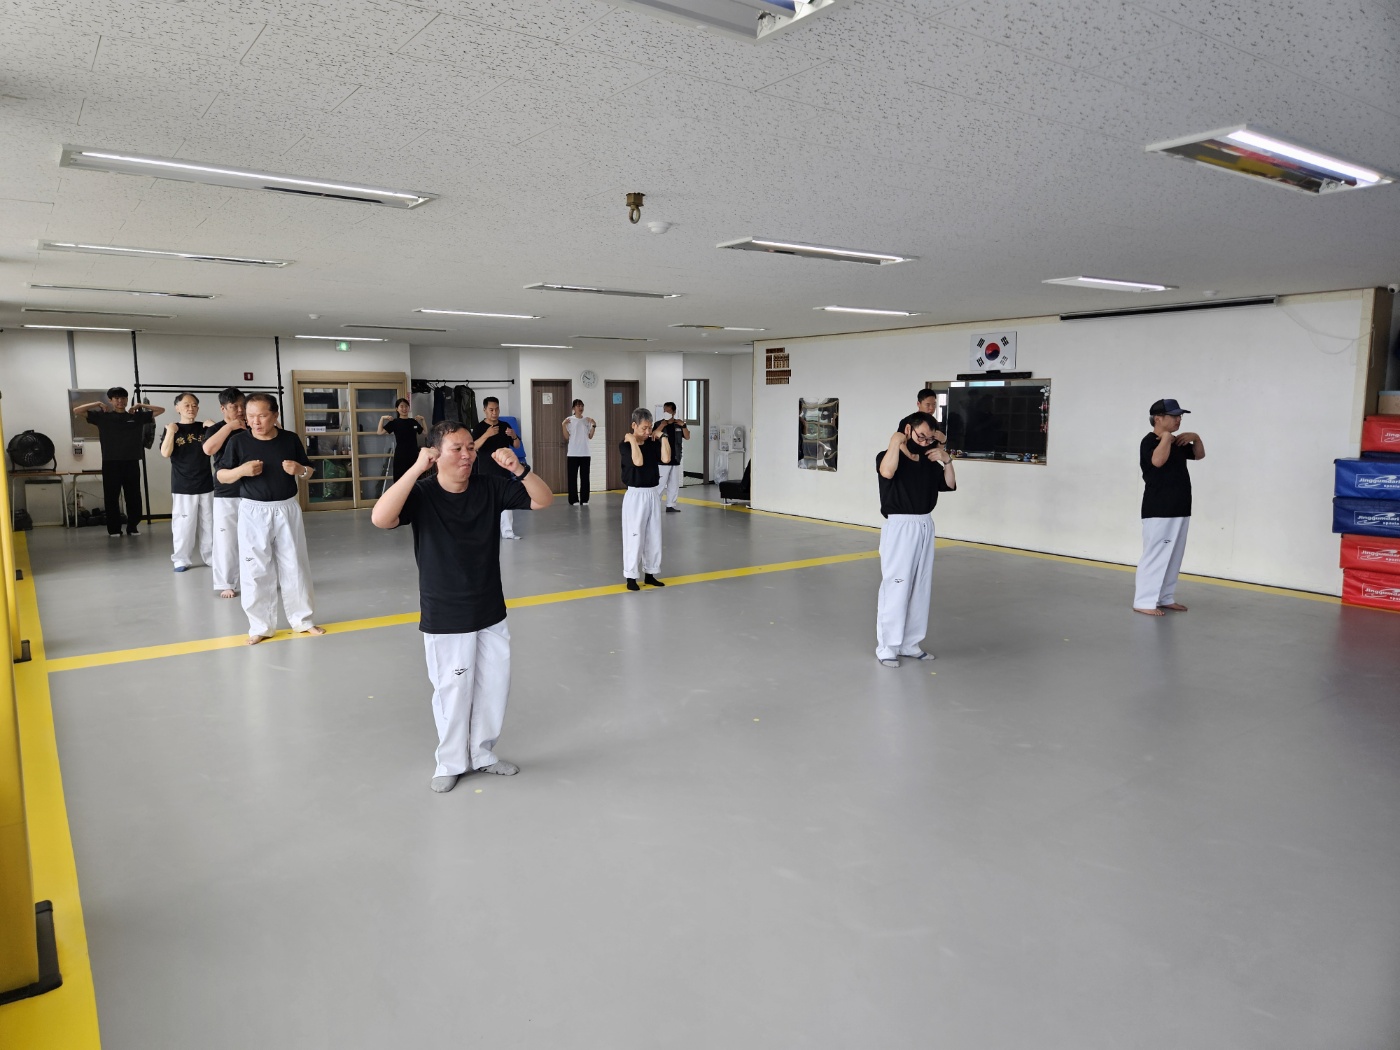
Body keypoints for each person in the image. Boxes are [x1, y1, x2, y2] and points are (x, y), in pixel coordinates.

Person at [371, 422, 554, 792]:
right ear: (435, 454)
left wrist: (518, 468)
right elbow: (381, 518)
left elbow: (543, 500)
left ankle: (482, 754)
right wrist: (415, 469)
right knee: (453, 692)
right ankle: (450, 761)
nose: (467, 454)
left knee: (493, 688)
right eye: (457, 448)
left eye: (470, 447)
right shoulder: (422, 493)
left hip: (490, 608)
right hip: (446, 613)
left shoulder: (489, 487)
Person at [217, 393, 326, 644]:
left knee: (295, 564)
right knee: (255, 568)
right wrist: (241, 471)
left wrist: (300, 470)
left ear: (275, 415)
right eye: (250, 416)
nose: (255, 421)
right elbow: (221, 475)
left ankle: (303, 620)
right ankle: (260, 626)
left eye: (262, 416)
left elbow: (309, 470)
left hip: (286, 508)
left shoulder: (290, 439)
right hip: (253, 510)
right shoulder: (238, 442)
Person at [875, 411, 956, 667]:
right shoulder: (888, 455)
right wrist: (894, 441)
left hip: (924, 524)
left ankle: (910, 644)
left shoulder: (929, 459)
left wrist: (947, 460)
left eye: (930, 438)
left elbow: (950, 484)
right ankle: (887, 647)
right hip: (900, 526)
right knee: (896, 586)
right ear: (908, 430)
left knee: (920, 587)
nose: (925, 442)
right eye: (921, 436)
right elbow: (887, 472)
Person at [1134, 398, 1205, 616]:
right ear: (1158, 418)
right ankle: (1144, 601)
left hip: (1180, 507)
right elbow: (1157, 462)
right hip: (1159, 509)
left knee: (1173, 556)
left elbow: (1199, 455)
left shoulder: (1176, 442)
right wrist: (1165, 438)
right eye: (1174, 416)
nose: (1178, 420)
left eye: (1179, 416)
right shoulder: (1149, 441)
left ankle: (1165, 597)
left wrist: (1196, 437)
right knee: (1155, 555)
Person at [73, 386, 164, 537]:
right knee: (111, 497)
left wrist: (140, 405)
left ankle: (132, 527)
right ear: (111, 400)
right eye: (116, 398)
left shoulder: (136, 417)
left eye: (123, 398)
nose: (120, 401)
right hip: (111, 462)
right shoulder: (103, 417)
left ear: (127, 400)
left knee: (133, 496)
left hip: (131, 461)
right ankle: (114, 529)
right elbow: (77, 410)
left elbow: (161, 410)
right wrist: (97, 403)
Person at [160, 392, 214, 571]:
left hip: (206, 484)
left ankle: (211, 557)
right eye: (186, 405)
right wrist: (170, 431)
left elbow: (220, 447)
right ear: (177, 408)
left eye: (194, 405)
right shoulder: (172, 428)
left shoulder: (204, 428)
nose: (191, 408)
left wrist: (214, 427)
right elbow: (165, 453)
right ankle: (181, 559)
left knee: (209, 524)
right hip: (183, 486)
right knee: (184, 526)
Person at [201, 388, 246, 598]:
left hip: (253, 489)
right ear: (223, 408)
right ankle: (227, 582)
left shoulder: (251, 425)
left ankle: (258, 577)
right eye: (234, 406)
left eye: (242, 405)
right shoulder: (216, 429)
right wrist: (230, 427)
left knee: (257, 538)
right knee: (226, 539)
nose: (240, 410)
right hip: (227, 491)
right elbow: (208, 449)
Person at [620, 407, 668, 590]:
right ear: (634, 425)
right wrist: (633, 439)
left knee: (654, 535)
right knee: (635, 535)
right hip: (635, 495)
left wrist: (663, 437)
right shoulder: (625, 445)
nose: (648, 432)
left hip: (652, 493)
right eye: (644, 428)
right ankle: (631, 576)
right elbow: (638, 462)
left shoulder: (652, 443)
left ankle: (651, 573)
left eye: (650, 428)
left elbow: (666, 459)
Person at [471, 396, 524, 539]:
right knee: (486, 502)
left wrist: (514, 436)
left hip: (504, 470)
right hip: (486, 471)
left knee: (506, 500)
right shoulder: (479, 427)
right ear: (484, 410)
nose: (494, 412)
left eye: (497, 409)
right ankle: (486, 532)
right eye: (491, 410)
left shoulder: (505, 425)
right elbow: (473, 447)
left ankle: (507, 532)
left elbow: (516, 445)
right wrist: (487, 435)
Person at [377, 399, 427, 482]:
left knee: (415, 478)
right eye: (402, 406)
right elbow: (379, 432)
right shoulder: (394, 422)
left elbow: (425, 432)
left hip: (413, 454)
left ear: (409, 408)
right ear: (397, 409)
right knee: (400, 478)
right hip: (401, 455)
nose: (404, 409)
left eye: (406, 406)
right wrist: (382, 418)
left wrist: (423, 420)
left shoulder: (413, 421)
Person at [653, 401, 690, 513]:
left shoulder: (679, 424)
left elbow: (687, 436)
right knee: (660, 484)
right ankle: (655, 505)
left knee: (673, 484)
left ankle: (671, 505)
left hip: (675, 458)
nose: (666, 412)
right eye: (665, 410)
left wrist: (683, 425)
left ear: (674, 412)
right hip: (662, 460)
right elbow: (654, 435)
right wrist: (662, 425)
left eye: (668, 411)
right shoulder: (658, 423)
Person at [561, 399, 596, 506]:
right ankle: (573, 500)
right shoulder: (569, 420)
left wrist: (594, 425)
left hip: (585, 453)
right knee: (572, 478)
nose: (580, 408)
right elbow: (566, 437)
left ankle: (584, 499)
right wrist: (563, 425)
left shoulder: (587, 420)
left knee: (585, 478)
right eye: (578, 406)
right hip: (573, 453)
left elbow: (590, 436)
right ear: (573, 408)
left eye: (581, 406)